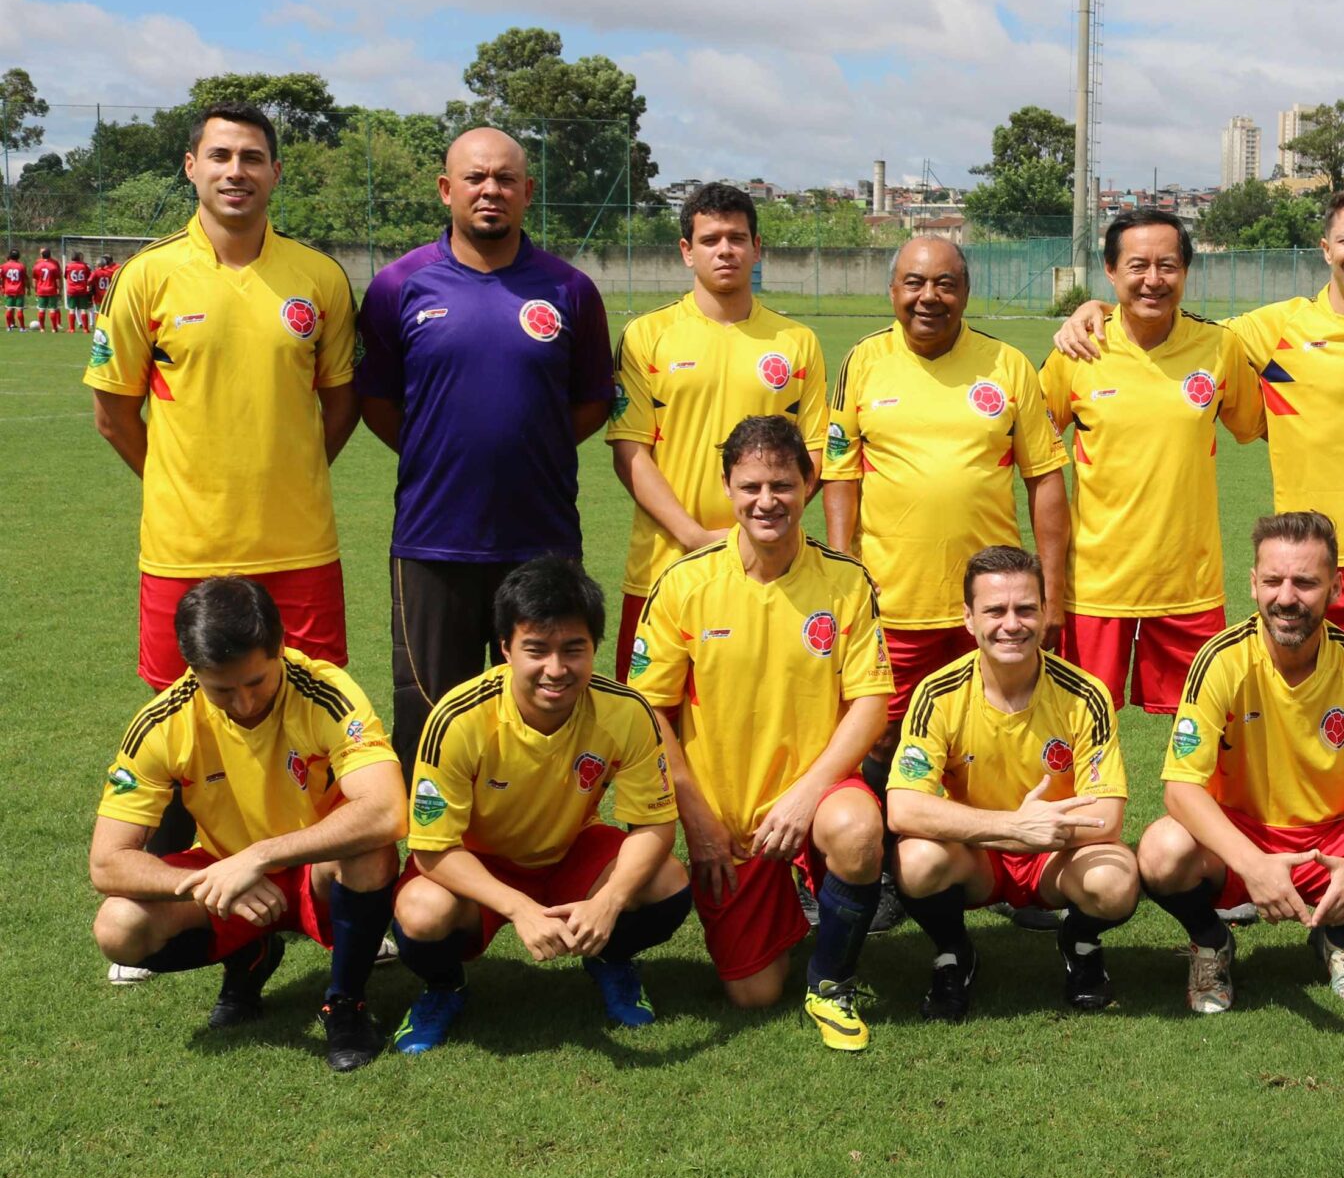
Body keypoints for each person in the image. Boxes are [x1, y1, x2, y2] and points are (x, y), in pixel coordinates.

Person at [1058, 189, 1344, 741]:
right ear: (1325, 248)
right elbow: (1177, 326)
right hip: (1307, 555)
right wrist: (1096, 309)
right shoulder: (1272, 328)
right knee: (1302, 704)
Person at [629, 417, 897, 1043]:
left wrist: (807, 795)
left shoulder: (845, 580)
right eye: (750, 486)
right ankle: (793, 914)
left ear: (808, 485)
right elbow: (649, 714)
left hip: (818, 793)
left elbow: (871, 704)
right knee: (753, 994)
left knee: (858, 831)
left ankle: (831, 980)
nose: (766, 501)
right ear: (727, 487)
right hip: (729, 820)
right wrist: (699, 821)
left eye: (782, 485)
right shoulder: (685, 582)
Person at [358, 127, 615, 768]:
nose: (490, 190)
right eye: (475, 178)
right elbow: (376, 402)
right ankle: (429, 837)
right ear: (447, 190)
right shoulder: (397, 286)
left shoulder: (570, 290)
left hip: (541, 540)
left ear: (528, 191)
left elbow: (591, 402)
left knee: (542, 713)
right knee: (429, 721)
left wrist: (532, 445)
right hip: (432, 541)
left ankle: (538, 834)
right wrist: (438, 451)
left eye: (505, 178)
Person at [87, 101, 361, 697]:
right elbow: (112, 416)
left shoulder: (321, 277)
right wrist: (178, 484)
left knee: (314, 711)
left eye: (252, 158)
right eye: (220, 156)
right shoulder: (144, 275)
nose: (236, 170)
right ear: (192, 167)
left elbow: (343, 404)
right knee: (181, 715)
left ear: (275, 173)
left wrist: (295, 472)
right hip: (183, 550)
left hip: (299, 548)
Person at [1139, 511, 1344, 1012]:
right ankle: (1210, 942)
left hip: (1334, 839)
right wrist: (1253, 865)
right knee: (1161, 852)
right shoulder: (1220, 660)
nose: (1286, 598)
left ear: (1336, 588)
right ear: (1253, 583)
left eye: (1305, 583)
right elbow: (1180, 788)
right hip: (1243, 832)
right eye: (1273, 581)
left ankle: (1342, 937)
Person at [86, 577, 402, 1070]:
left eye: (256, 682)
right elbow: (107, 862)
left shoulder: (326, 692)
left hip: (317, 872)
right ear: (192, 670)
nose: (245, 703)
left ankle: (345, 1002)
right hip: (227, 873)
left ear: (280, 647)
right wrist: (212, 882)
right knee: (118, 927)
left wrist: (258, 857)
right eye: (222, 690)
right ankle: (250, 955)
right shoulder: (162, 722)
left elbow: (386, 809)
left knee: (370, 850)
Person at [388, 557, 690, 1053]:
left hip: (571, 850)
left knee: (667, 882)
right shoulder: (458, 718)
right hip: (479, 860)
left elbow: (654, 824)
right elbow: (432, 849)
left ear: (594, 647)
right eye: (537, 649)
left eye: (573, 649)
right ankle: (444, 987)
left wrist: (609, 901)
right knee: (422, 912)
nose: (556, 669)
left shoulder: (626, 710)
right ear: (506, 648)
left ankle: (609, 957)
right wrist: (519, 908)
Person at [824, 236, 1069, 738]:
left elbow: (1044, 477)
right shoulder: (863, 360)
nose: (929, 297)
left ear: (966, 292)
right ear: (893, 290)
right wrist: (842, 569)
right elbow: (841, 473)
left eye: (945, 284)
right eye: (914, 283)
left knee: (993, 730)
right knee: (879, 735)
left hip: (993, 603)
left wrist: (1053, 592)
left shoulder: (1008, 364)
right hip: (891, 600)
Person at [885, 547, 1136, 1019]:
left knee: (1116, 878)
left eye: (1025, 609)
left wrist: (1039, 833)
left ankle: (1080, 944)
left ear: (1044, 612)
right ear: (968, 617)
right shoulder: (937, 693)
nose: (1011, 624)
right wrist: (1013, 827)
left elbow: (1107, 817)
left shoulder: (1085, 694)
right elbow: (902, 807)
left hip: (1056, 856)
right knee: (914, 860)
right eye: (995, 610)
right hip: (977, 856)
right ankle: (953, 952)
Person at [1037, 206, 1263, 713]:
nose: (1153, 280)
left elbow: (1258, 425)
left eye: (1168, 266)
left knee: (1203, 731)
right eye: (1138, 266)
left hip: (1189, 584)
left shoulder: (1219, 348)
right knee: (1078, 728)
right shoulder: (1077, 350)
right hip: (1094, 586)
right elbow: (1031, 452)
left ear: (1186, 271)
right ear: (1110, 270)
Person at [606, 181, 828, 678]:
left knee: (757, 709)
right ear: (687, 251)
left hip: (770, 569)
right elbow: (630, 451)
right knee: (646, 715)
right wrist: (693, 536)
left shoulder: (798, 342)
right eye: (710, 240)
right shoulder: (646, 336)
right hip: (663, 566)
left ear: (757, 248)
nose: (725, 250)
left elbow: (815, 453)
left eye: (737, 238)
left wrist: (757, 534)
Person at [32, 247, 61, 330]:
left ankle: (42, 328)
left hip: (41, 290)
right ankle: (54, 328)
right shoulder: (53, 266)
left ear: (42, 255)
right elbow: (57, 280)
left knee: (41, 309)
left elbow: (34, 279)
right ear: (50, 255)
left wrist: (35, 290)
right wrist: (59, 289)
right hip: (51, 290)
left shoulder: (37, 266)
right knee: (52, 309)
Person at [64, 250, 93, 333]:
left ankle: (72, 329)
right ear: (79, 258)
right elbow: (89, 277)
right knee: (83, 309)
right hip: (82, 290)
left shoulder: (68, 266)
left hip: (72, 291)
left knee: (72, 309)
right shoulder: (84, 266)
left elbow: (66, 276)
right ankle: (85, 329)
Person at [1, 247, 25, 329]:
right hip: (19, 290)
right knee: (19, 309)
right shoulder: (21, 266)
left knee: (9, 309)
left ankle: (8, 327)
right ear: (18, 256)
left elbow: (1, 278)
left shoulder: (3, 266)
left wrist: (2, 288)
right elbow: (24, 279)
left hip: (8, 290)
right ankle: (22, 328)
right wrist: (28, 289)